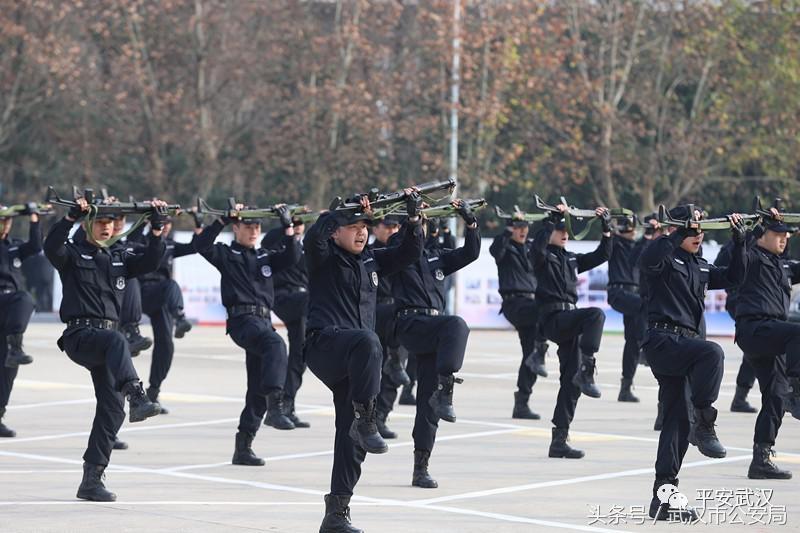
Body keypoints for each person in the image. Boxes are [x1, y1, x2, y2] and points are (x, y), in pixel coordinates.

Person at [304, 191, 423, 533]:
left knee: (351, 439)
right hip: (325, 345)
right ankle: (367, 418)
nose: (361, 232)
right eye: (353, 225)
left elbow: (410, 252)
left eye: (365, 226)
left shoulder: (371, 260)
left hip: (358, 360)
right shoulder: (322, 256)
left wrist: (414, 219)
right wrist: (334, 212)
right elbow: (313, 238)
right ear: (335, 231)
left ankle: (337, 512)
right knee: (370, 340)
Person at [44, 197, 166, 502]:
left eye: (111, 223)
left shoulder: (120, 256)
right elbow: (51, 248)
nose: (106, 227)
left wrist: (156, 229)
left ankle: (92, 478)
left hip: (109, 344)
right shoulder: (73, 253)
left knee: (113, 409)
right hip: (81, 335)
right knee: (117, 341)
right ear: (88, 224)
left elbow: (152, 262)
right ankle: (138, 394)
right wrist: (70, 217)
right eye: (100, 221)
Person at [640, 206, 747, 520]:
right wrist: (672, 233)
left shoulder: (700, 265)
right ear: (679, 231)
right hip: (663, 340)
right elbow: (647, 260)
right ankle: (705, 420)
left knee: (677, 421)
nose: (698, 234)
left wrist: (740, 243)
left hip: (686, 346)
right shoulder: (663, 257)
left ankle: (664, 497)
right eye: (692, 229)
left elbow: (734, 277)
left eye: (701, 229)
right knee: (712, 353)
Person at [194, 204, 300, 466]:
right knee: (276, 345)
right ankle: (278, 405)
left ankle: (243, 447)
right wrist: (220, 221)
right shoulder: (226, 254)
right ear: (237, 228)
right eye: (248, 226)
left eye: (257, 227)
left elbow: (293, 257)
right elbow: (201, 245)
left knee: (257, 388)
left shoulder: (265, 256)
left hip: (263, 321)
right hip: (243, 321)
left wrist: (288, 228)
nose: (253, 231)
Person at [393, 201, 480, 488]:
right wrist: (412, 219)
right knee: (456, 324)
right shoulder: (399, 251)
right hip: (411, 323)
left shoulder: (437, 257)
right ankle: (447, 388)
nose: (423, 226)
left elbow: (471, 253)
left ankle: (421, 466)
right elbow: (408, 245)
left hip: (433, 330)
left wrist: (470, 223)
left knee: (427, 405)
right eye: (418, 222)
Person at [532, 204, 612, 459]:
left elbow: (602, 255)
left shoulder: (571, 258)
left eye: (566, 229)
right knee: (596, 314)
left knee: (570, 381)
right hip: (553, 318)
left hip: (570, 320)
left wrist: (606, 228)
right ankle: (588, 369)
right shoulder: (542, 255)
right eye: (559, 229)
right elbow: (536, 247)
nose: (564, 232)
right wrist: (550, 220)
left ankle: (559, 440)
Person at [734, 213, 800, 479]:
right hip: (755, 329)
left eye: (786, 235)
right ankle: (798, 391)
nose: (784, 238)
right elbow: (737, 255)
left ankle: (760, 459)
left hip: (771, 335)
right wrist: (751, 228)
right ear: (762, 235)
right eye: (778, 234)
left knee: (775, 395)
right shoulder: (751, 257)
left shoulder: (782, 266)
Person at [132, 215, 199, 414]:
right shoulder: (140, 241)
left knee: (166, 346)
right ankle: (179, 318)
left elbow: (195, 247)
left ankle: (153, 392)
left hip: (161, 298)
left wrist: (199, 223)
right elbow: (129, 241)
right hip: (139, 293)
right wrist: (144, 220)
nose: (165, 227)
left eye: (168, 223)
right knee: (171, 285)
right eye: (162, 222)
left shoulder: (169, 245)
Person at [489, 212, 549, 420]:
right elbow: (495, 249)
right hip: (515, 303)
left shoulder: (531, 249)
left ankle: (522, 402)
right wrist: (508, 229)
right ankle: (541, 349)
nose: (523, 230)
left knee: (530, 355)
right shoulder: (505, 248)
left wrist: (550, 223)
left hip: (532, 304)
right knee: (546, 311)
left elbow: (543, 247)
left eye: (525, 226)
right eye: (518, 227)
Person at [261, 215, 311, 428]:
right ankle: (282, 403)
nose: (297, 226)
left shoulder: (305, 246)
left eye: (301, 223)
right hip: (285, 296)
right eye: (294, 222)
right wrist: (286, 227)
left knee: (302, 354)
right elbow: (268, 242)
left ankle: (287, 403)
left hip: (303, 303)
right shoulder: (278, 239)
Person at [0, 208, 40, 437]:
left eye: (7, 222)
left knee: (7, 369)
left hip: (10, 309)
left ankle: (15, 346)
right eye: (1, 222)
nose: (5, 226)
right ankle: (14, 345)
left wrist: (34, 218)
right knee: (23, 297)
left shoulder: (14, 246)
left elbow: (36, 246)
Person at [370, 215, 408, 440]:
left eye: (396, 226)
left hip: (396, 315)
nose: (393, 230)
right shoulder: (367, 252)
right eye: (388, 226)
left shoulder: (402, 254)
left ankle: (382, 416)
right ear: (376, 229)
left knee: (396, 369)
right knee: (373, 370)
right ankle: (367, 417)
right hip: (374, 313)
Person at [714, 235, 758, 413]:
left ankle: (741, 398)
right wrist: (740, 239)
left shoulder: (769, 243)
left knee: (757, 350)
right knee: (754, 347)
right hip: (741, 301)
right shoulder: (737, 243)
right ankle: (740, 398)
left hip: (762, 301)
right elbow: (720, 265)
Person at [607, 215, 648, 402]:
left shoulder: (638, 247)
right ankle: (646, 350)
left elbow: (645, 253)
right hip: (619, 292)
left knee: (633, 341)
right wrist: (610, 225)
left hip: (633, 295)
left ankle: (625, 387)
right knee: (648, 307)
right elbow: (607, 239)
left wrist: (650, 232)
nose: (632, 230)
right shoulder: (615, 244)